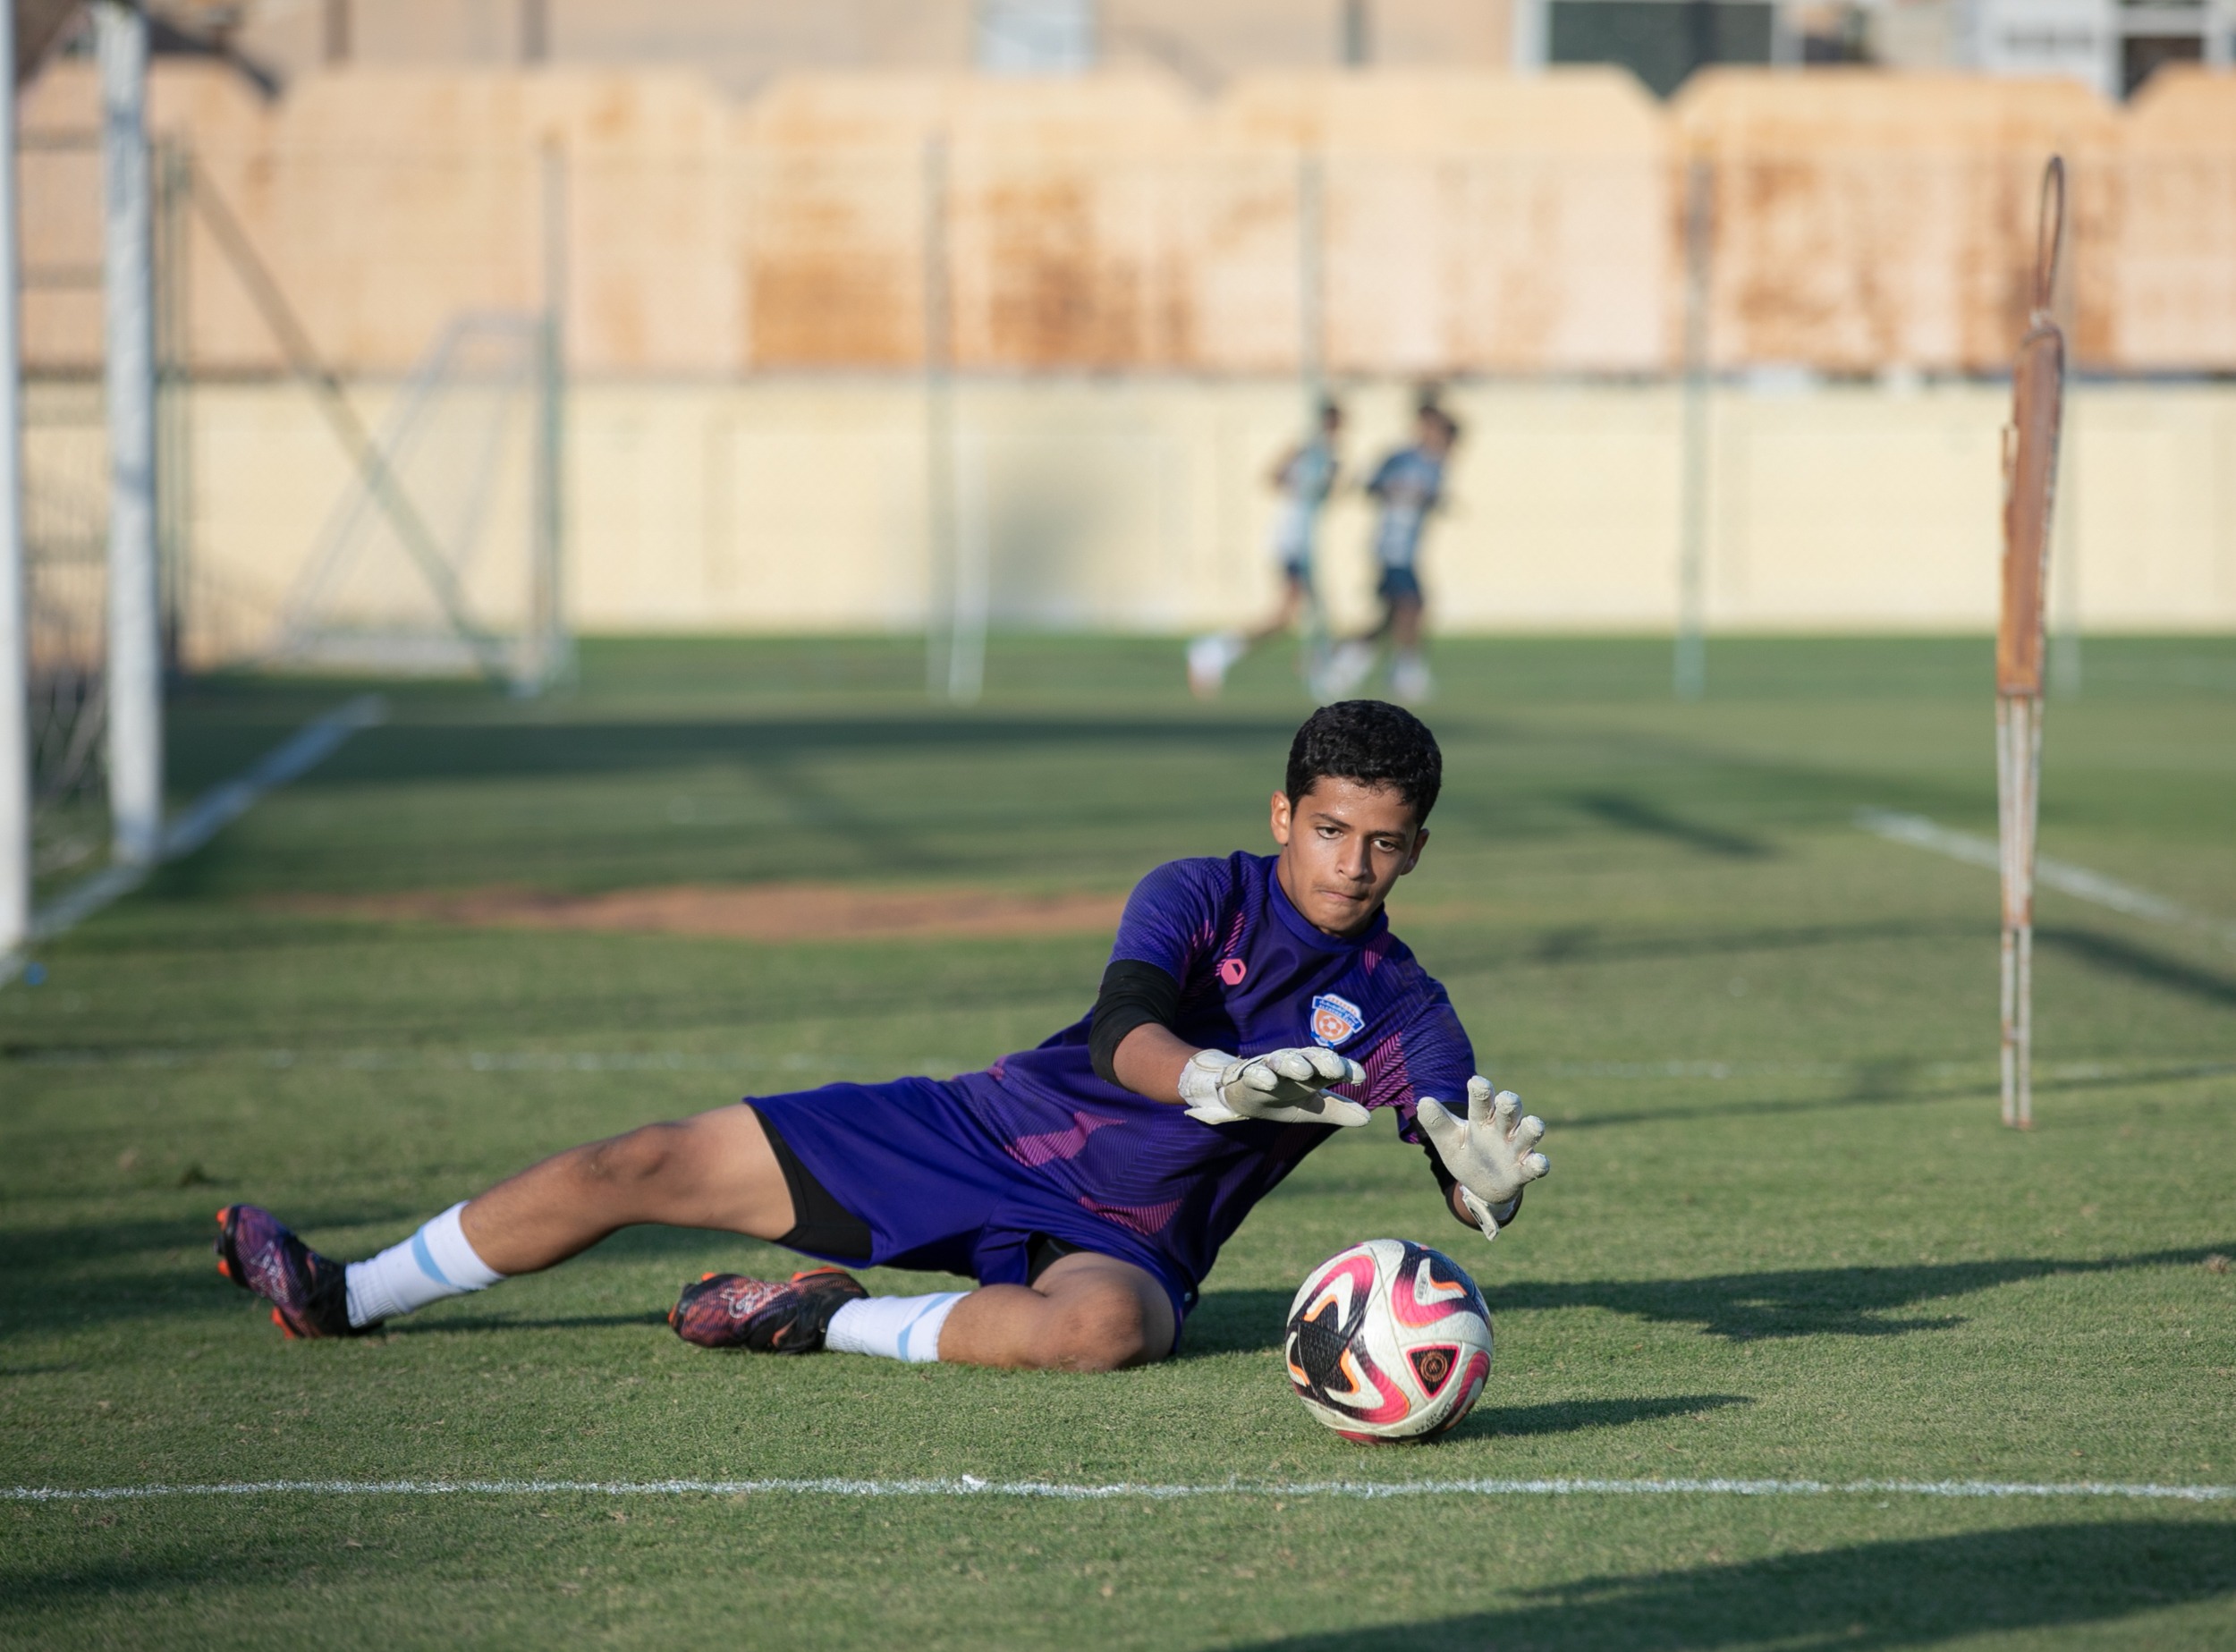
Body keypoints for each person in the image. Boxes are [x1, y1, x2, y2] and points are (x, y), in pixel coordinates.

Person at [214, 701, 1549, 1374]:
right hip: (970, 1131)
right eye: (1330, 828)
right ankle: (347, 1293)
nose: (1351, 861)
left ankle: (826, 1313)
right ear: (1282, 813)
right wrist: (1214, 1077)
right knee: (639, 1161)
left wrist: (1470, 1178)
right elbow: (1121, 1027)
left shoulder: (1404, 1000)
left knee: (1104, 1335)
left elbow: (1440, 1122)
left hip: (1127, 1239)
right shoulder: (1199, 890)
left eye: (1383, 840)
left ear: (1416, 845)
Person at [1188, 399, 1345, 699]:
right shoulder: (1303, 451)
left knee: (1308, 614)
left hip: (1306, 542)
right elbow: (1271, 477)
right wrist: (1300, 482)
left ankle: (1314, 666)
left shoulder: (1332, 460)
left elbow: (1330, 497)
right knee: (1289, 615)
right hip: (1290, 540)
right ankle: (1213, 651)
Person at [1323, 402, 1460, 704]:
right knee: (1411, 605)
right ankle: (1405, 673)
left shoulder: (1437, 464)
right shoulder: (1400, 458)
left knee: (1391, 616)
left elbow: (1433, 498)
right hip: (1390, 547)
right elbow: (1369, 486)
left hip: (1408, 548)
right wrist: (1395, 489)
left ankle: (1342, 660)